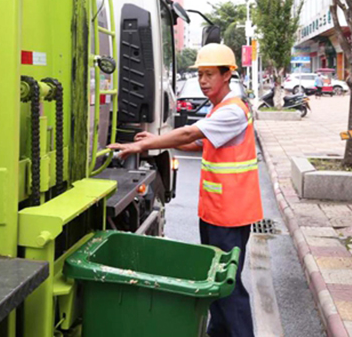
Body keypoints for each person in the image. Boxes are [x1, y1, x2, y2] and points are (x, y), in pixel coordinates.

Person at [109, 43, 262, 337]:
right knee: (216, 282)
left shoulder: (233, 111)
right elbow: (196, 143)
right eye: (201, 75)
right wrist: (158, 139)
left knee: (228, 287)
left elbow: (192, 132)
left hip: (230, 215)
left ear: (227, 75)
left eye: (209, 75)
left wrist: (144, 144)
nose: (203, 81)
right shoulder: (221, 108)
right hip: (218, 213)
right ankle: (218, 333)